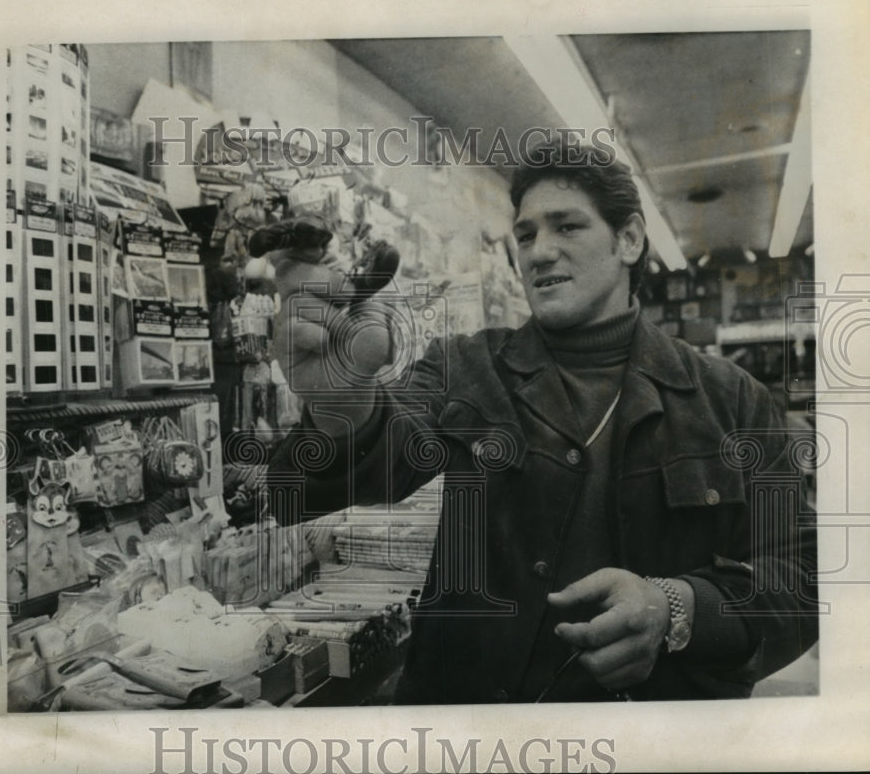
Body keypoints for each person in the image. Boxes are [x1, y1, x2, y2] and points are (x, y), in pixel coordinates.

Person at [265, 138, 819, 704]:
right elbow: (341, 477)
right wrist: (344, 402)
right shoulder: (464, 366)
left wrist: (679, 608)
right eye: (526, 235)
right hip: (472, 736)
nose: (538, 252)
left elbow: (805, 577)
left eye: (567, 227)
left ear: (628, 240)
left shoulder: (733, 400)